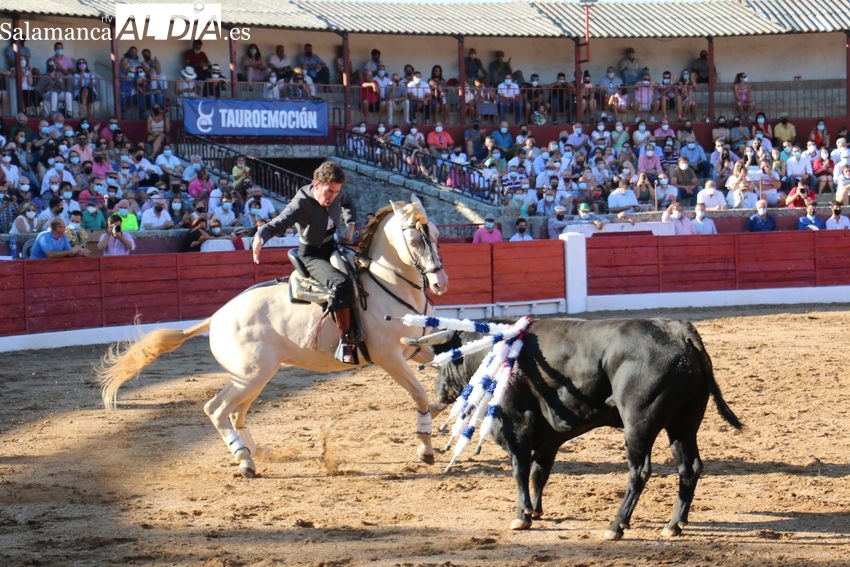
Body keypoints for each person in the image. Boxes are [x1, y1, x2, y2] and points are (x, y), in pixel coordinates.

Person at [252, 161, 357, 364]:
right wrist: (260, 236)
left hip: (333, 246)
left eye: (336, 192)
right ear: (316, 184)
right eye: (329, 192)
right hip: (312, 254)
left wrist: (350, 222)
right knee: (341, 284)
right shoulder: (301, 202)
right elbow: (279, 222)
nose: (333, 196)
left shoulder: (336, 193)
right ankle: (346, 342)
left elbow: (348, 203)